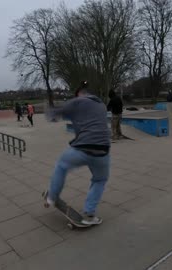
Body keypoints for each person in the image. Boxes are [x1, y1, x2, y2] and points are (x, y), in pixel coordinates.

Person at [43, 81, 111, 225]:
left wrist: (50, 112)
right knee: (100, 180)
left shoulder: (78, 101)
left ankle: (52, 197)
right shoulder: (102, 105)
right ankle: (89, 214)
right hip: (103, 150)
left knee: (61, 166)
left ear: (80, 94)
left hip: (83, 147)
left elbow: (55, 114)